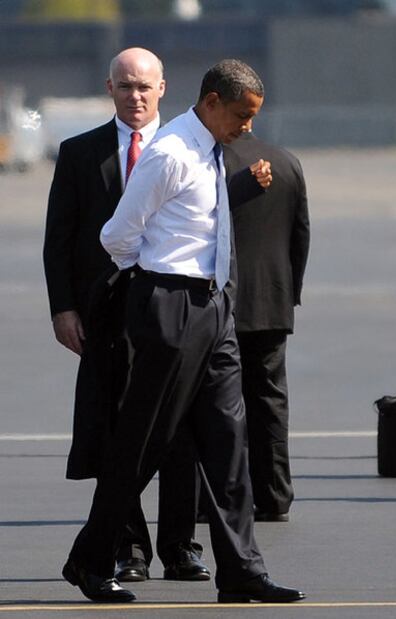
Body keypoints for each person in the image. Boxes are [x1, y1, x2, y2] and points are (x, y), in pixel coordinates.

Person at [61, 58, 306, 604]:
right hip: (170, 306)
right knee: (142, 441)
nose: (248, 128)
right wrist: (156, 283)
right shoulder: (169, 153)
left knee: (228, 443)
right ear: (213, 103)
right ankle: (91, 558)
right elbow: (117, 236)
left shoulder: (210, 147)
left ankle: (241, 568)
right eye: (241, 116)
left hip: (215, 308)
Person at [43, 47, 210, 584]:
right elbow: (60, 239)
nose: (135, 97)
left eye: (144, 87)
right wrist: (63, 308)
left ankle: (181, 546)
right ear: (108, 89)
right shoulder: (79, 153)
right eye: (124, 86)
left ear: (163, 88)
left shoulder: (193, 147)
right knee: (117, 429)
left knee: (180, 429)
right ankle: (128, 549)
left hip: (175, 311)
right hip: (107, 316)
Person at [224, 127, 310, 522]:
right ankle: (275, 494)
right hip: (272, 300)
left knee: (213, 404)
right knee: (270, 401)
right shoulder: (287, 162)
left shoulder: (208, 163)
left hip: (218, 300)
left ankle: (219, 495)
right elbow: (300, 234)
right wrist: (289, 290)